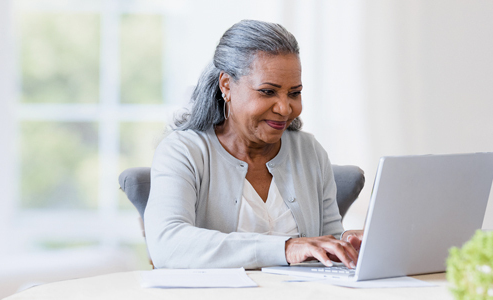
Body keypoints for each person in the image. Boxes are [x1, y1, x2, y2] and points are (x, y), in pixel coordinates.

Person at [144, 19, 363, 269]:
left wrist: (347, 245)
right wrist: (285, 248)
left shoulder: (308, 150)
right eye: (268, 92)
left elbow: (327, 243)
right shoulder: (184, 151)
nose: (284, 108)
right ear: (226, 85)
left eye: (294, 93)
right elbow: (167, 246)